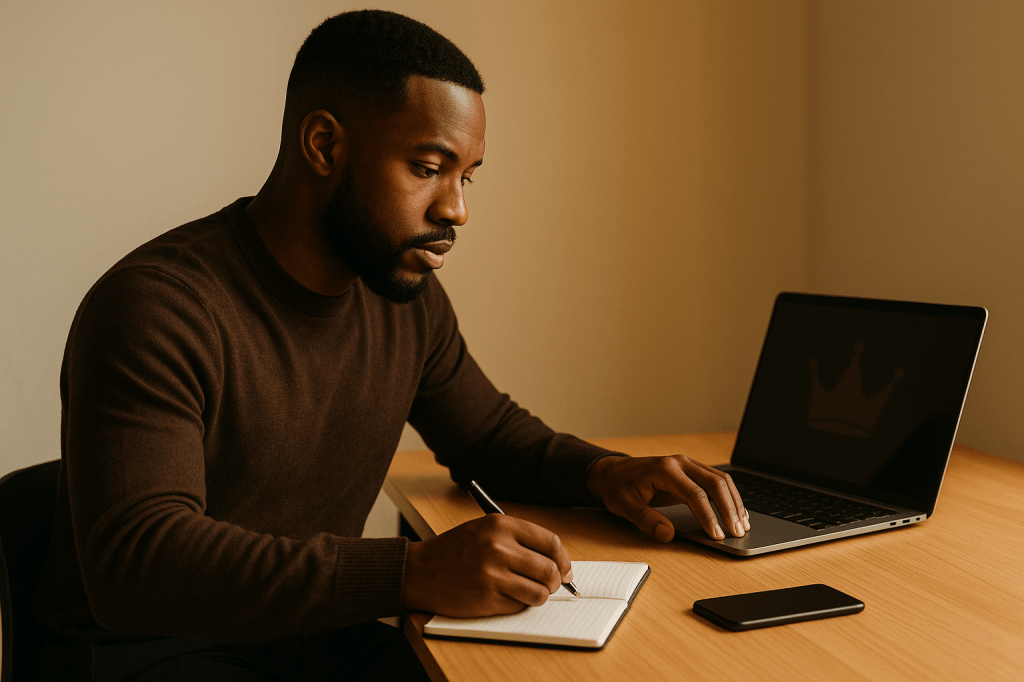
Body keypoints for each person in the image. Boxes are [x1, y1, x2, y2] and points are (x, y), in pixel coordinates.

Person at [39, 9, 748, 681]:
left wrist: (608, 475)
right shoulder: (155, 307)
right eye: (427, 167)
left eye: (465, 176)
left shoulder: (401, 298)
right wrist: (413, 573)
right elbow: (140, 564)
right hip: (148, 654)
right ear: (324, 145)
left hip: (311, 640)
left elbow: (489, 437)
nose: (456, 209)